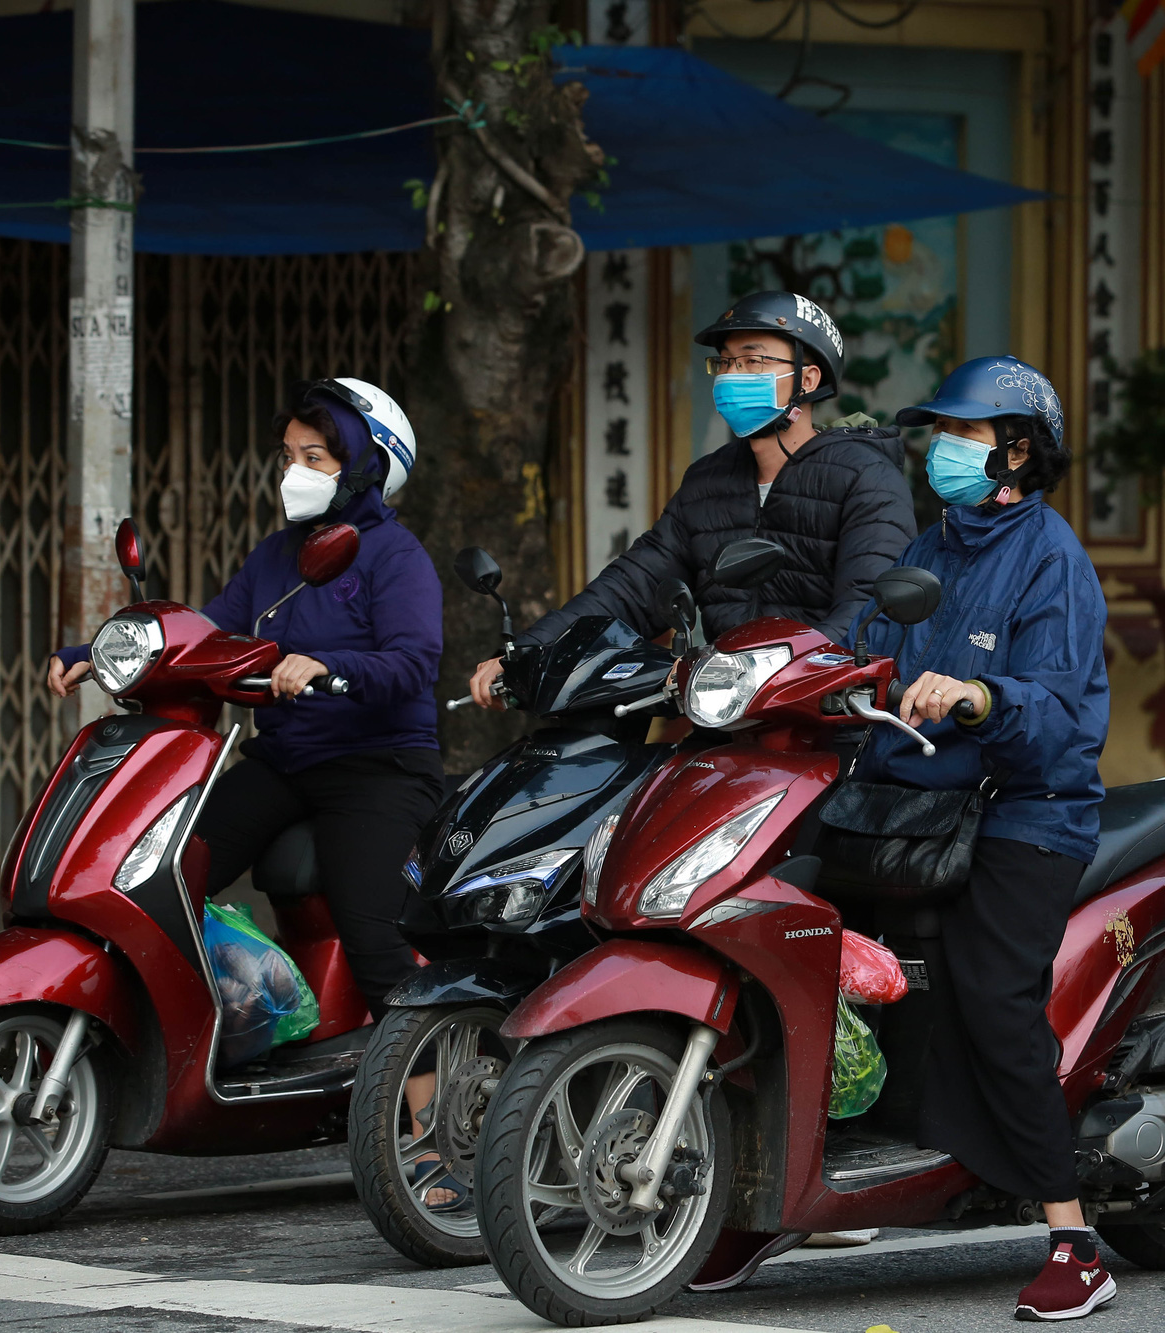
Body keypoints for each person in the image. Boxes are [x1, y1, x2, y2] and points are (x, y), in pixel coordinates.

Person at [48, 378, 447, 1146]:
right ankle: (220, 1022)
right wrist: (99, 655)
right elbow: (206, 632)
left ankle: (433, 1123)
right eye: (287, 455)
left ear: (364, 467)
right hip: (285, 757)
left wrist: (326, 664)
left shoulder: (396, 557)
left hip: (379, 766)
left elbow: (412, 661)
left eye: (315, 455)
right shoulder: (277, 555)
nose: (292, 469)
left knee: (373, 933)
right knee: (160, 871)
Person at [853, 357, 1113, 1321]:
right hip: (920, 809)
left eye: (962, 436)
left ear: (1015, 449)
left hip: (1027, 814)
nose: (941, 452)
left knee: (994, 1000)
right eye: (939, 435)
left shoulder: (1051, 555)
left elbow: (1057, 713)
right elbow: (867, 641)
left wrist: (979, 695)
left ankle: (1072, 1236)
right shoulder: (935, 543)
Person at [469, 291, 915, 706]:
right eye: (724, 363)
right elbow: (631, 586)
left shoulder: (865, 476)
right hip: (722, 714)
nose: (731, 376)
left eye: (752, 360)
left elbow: (868, 610)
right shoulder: (708, 481)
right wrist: (531, 649)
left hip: (830, 719)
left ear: (807, 378)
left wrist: (769, 671)